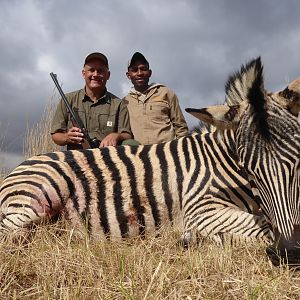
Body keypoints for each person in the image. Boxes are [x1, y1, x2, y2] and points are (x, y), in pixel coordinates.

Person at [51, 52, 134, 150]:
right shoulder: (68, 100)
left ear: (108, 75)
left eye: (100, 71)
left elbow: (127, 135)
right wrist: (67, 137)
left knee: (133, 144)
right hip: (76, 157)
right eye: (91, 70)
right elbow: (56, 135)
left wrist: (115, 136)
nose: (95, 74)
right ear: (84, 73)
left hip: (106, 156)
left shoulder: (118, 104)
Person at [123, 52, 188, 145]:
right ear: (128, 75)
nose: (139, 73)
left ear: (150, 73)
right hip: (139, 155)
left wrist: (182, 149)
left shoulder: (166, 93)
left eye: (143, 69)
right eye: (134, 70)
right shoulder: (125, 102)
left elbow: (181, 127)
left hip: (167, 154)